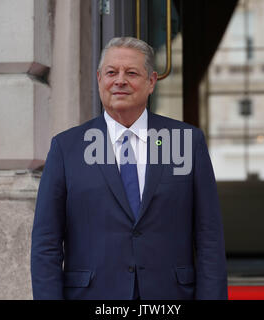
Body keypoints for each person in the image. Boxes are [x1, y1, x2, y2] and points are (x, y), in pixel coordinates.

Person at [31, 37, 228, 300]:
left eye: (132, 73)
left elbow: (209, 239)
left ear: (151, 82)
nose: (120, 80)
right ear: (100, 78)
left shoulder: (187, 142)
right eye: (112, 72)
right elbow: (46, 243)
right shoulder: (66, 148)